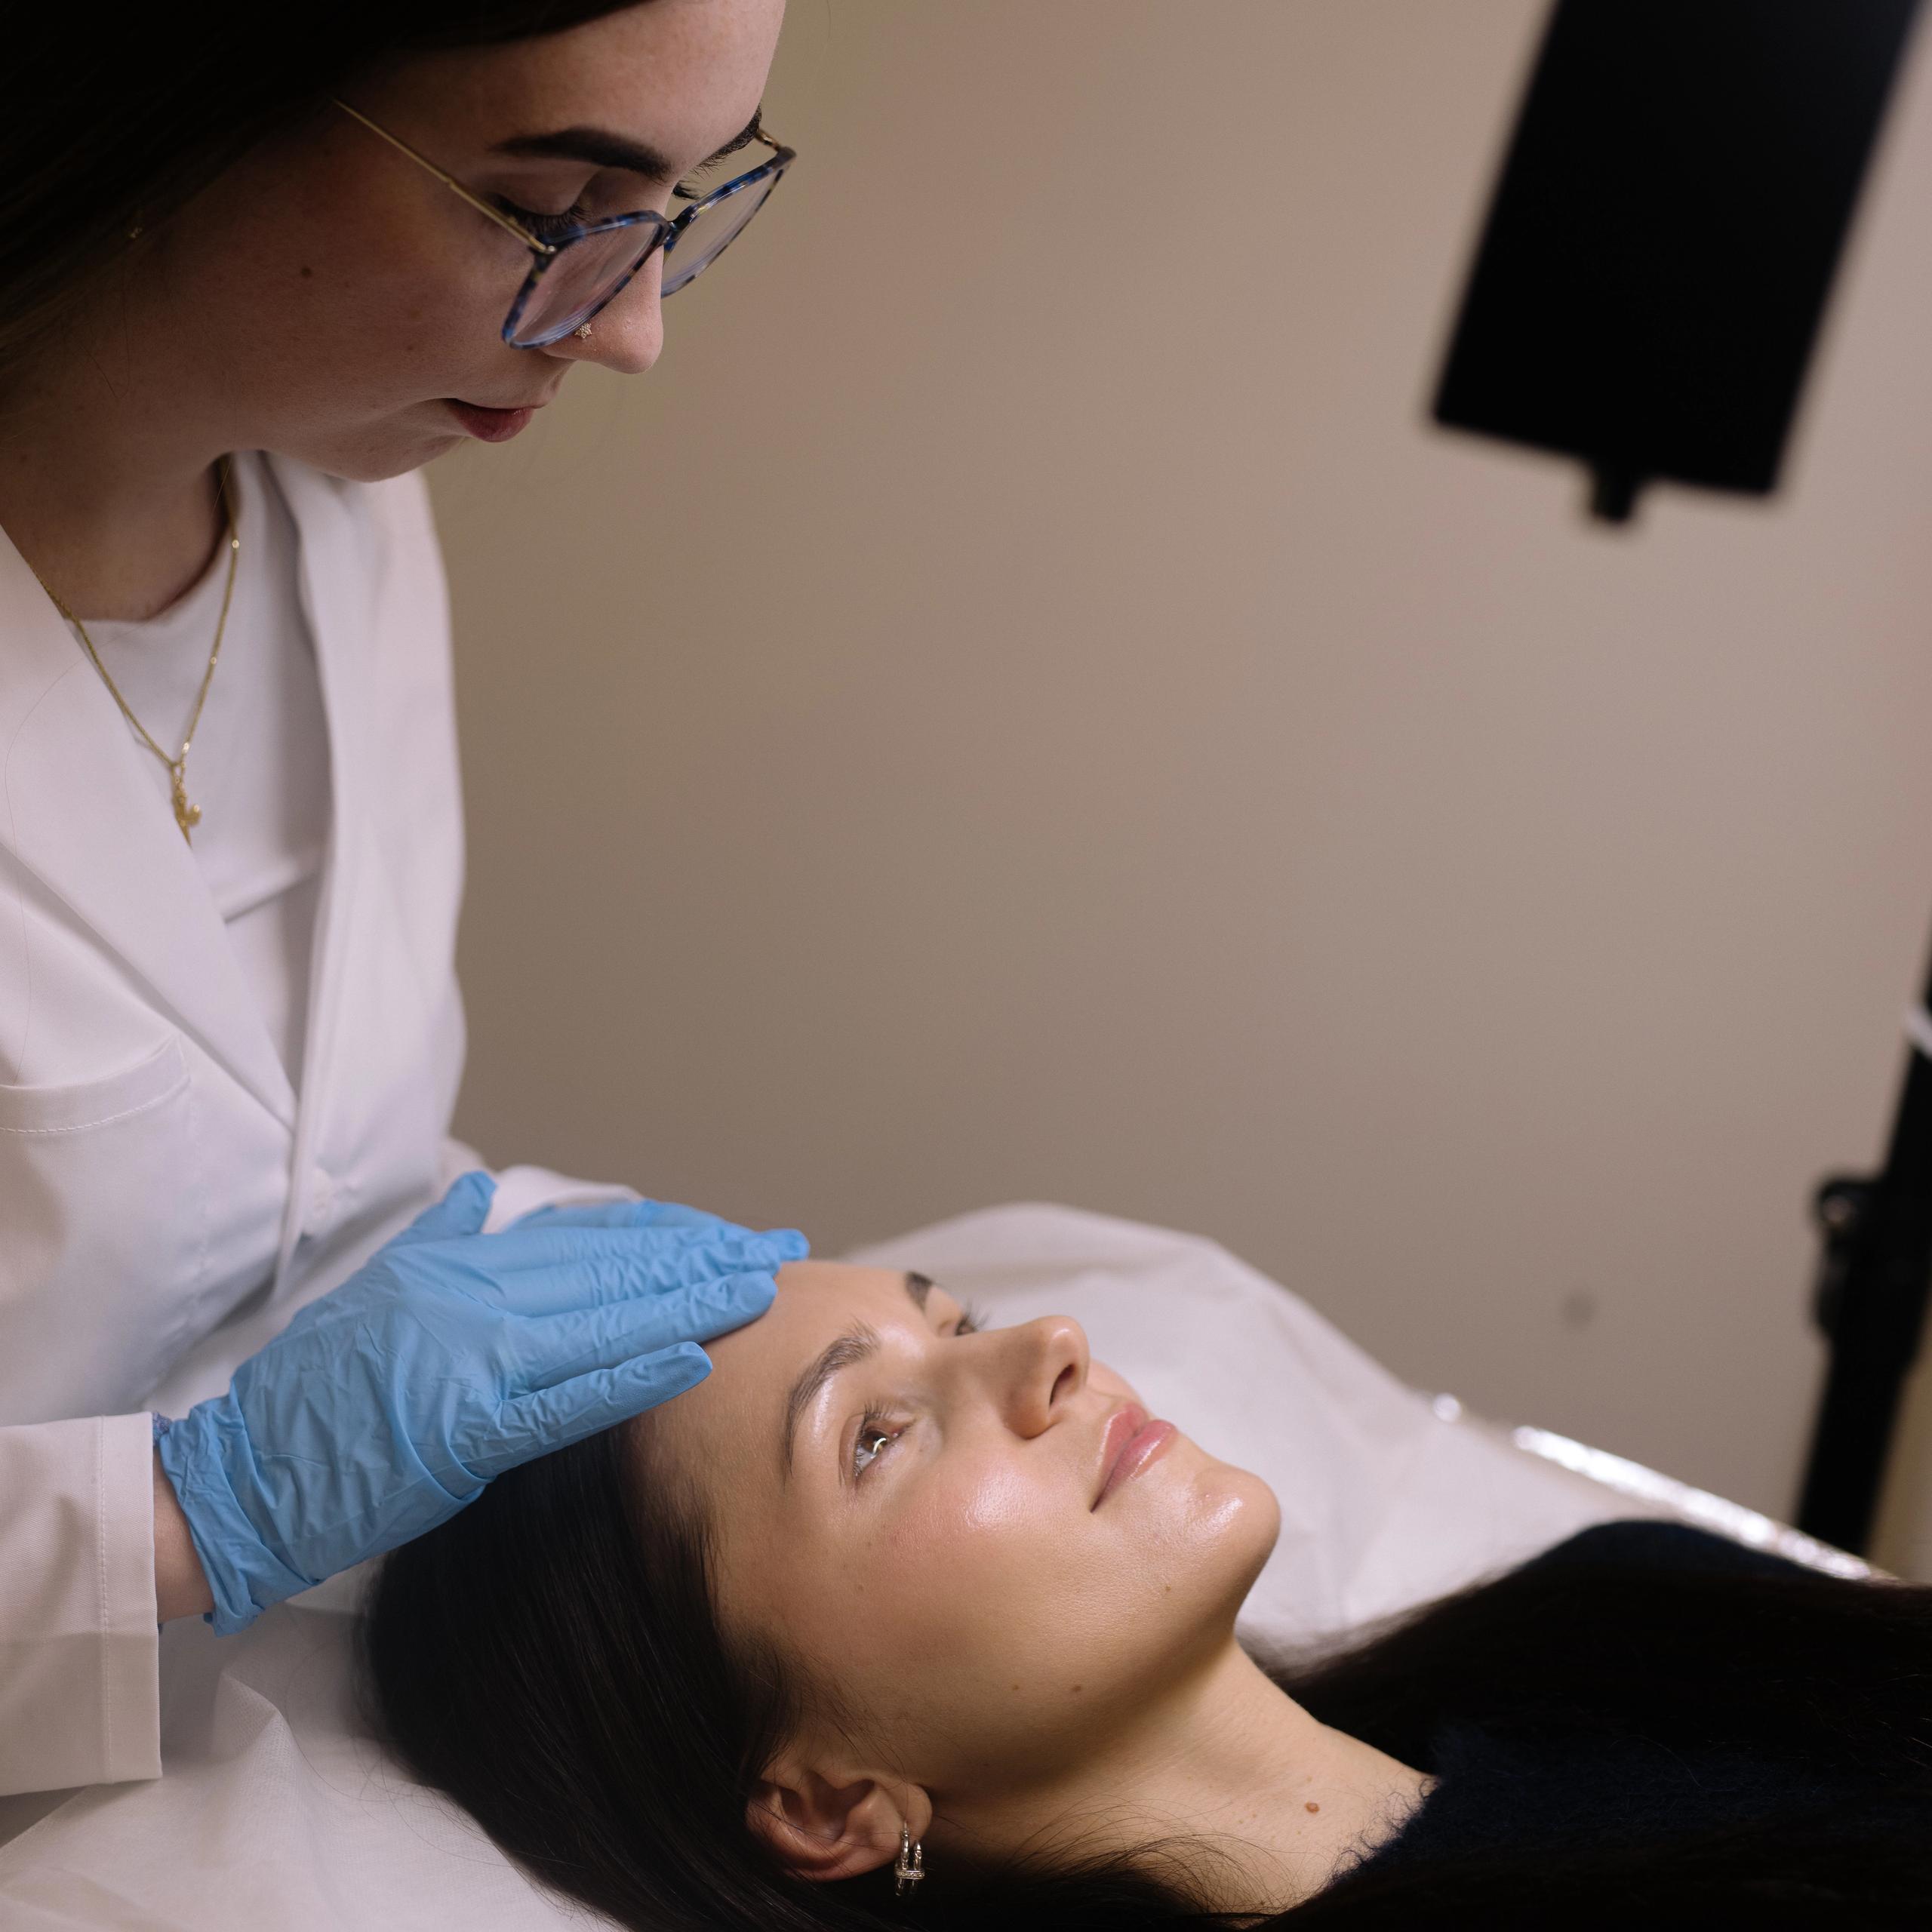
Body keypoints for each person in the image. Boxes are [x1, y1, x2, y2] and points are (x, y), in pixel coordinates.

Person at [0, 0, 798, 1798]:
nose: (632, 329)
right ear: (178, 95)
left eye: (680, 203)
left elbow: (298, 1177)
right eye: (549, 209)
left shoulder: (334, 493)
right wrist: (186, 1517)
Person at [367, 1259, 1932, 1929]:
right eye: (877, 1433)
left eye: (951, 1315)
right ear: (829, 1795)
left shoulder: (1623, 1622)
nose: (1042, 1342)